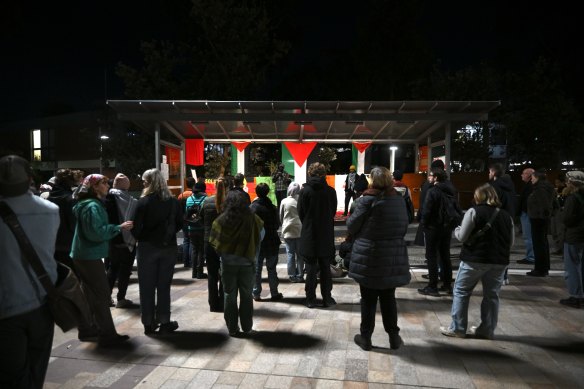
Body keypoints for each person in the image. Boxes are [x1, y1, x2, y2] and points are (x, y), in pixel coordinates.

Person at [0, 155, 59, 388]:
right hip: (43, 300)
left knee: (12, 374)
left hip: (6, 308)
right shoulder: (51, 210)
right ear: (30, 179)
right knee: (37, 367)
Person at [347, 166, 410, 351]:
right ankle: (394, 336)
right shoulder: (398, 199)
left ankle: (366, 337)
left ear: (372, 181)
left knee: (368, 299)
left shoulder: (366, 200)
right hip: (392, 255)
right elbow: (405, 225)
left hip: (370, 255)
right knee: (388, 297)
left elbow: (351, 225)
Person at [441, 184, 513, 339]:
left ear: (478, 196)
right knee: (492, 295)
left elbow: (462, 237)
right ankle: (487, 330)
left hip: (474, 260)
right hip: (499, 261)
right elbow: (510, 242)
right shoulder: (506, 216)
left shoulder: (474, 211)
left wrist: (457, 230)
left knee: (461, 291)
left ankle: (458, 328)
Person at [70, 174, 133, 346]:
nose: (108, 184)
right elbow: (96, 233)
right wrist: (118, 227)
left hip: (84, 254)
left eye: (107, 181)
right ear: (94, 187)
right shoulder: (92, 206)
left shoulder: (88, 204)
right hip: (89, 255)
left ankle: (88, 329)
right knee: (102, 294)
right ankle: (106, 333)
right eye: (103, 182)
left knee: (90, 294)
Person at [132, 168, 183, 335]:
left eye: (145, 180)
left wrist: (142, 236)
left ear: (150, 182)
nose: (143, 183)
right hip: (168, 247)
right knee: (164, 286)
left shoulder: (143, 202)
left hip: (147, 248)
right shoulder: (173, 202)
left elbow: (135, 228)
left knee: (146, 287)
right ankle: (164, 321)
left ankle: (148, 322)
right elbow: (179, 223)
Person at [209, 190, 264, 336]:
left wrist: (224, 254)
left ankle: (232, 329)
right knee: (246, 296)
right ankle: (247, 327)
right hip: (247, 263)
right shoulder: (252, 219)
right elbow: (261, 236)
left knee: (229, 295)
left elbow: (215, 242)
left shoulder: (220, 220)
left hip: (228, 264)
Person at [298, 162, 338, 308]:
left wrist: (308, 223)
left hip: (309, 235)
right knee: (325, 268)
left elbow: (301, 213)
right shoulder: (331, 191)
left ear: (310, 174)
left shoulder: (305, 191)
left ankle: (310, 299)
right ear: (324, 174)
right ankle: (327, 298)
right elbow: (333, 212)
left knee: (310, 269)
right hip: (326, 234)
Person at [418, 168, 459, 296]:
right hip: (446, 227)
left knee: (431, 256)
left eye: (430, 176)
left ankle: (432, 286)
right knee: (445, 254)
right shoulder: (451, 190)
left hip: (433, 227)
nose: (429, 178)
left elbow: (427, 211)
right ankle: (447, 284)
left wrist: (423, 224)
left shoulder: (433, 191)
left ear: (435, 177)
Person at [104, 173, 137, 308]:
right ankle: (121, 299)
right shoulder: (133, 201)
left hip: (111, 239)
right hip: (128, 241)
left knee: (112, 269)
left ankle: (106, 297)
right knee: (125, 271)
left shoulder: (105, 198)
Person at [251, 183, 283, 301]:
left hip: (257, 242)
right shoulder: (272, 207)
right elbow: (276, 225)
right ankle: (274, 293)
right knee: (272, 268)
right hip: (272, 241)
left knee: (257, 268)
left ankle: (256, 293)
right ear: (268, 192)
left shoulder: (253, 207)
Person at [201, 177, 228, 312]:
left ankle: (213, 304)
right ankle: (223, 302)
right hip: (225, 242)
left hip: (209, 240)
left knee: (212, 274)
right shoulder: (229, 203)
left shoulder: (206, 201)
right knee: (224, 273)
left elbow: (201, 219)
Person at [488, 163, 517, 285]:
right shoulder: (510, 186)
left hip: (496, 220)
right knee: (505, 248)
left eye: (489, 172)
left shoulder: (493, 187)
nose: (488, 174)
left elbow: (491, 204)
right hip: (508, 219)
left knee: (494, 248)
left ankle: (496, 276)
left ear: (494, 173)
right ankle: (504, 276)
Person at [559, 171, 584, 308]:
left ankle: (575, 296)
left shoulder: (573, 198)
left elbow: (567, 218)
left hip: (574, 235)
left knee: (572, 266)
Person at [526, 169, 555, 277]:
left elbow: (544, 205)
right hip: (540, 219)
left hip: (538, 219)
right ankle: (543, 267)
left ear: (537, 177)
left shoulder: (540, 189)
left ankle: (540, 269)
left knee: (539, 244)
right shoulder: (545, 187)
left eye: (532, 177)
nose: (531, 179)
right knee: (542, 243)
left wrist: (541, 216)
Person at [280, 182, 304, 283]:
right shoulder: (301, 200)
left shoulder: (284, 201)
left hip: (288, 229)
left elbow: (281, 216)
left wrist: (284, 224)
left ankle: (291, 275)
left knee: (290, 253)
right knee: (300, 254)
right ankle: (300, 275)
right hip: (300, 229)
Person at [186, 181, 208, 279]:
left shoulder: (188, 199)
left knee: (194, 249)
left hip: (191, 227)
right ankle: (200, 272)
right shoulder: (205, 199)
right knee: (201, 250)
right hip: (201, 227)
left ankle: (194, 272)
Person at [516, 167, 536, 264]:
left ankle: (531, 257)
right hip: (527, 213)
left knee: (528, 236)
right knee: (529, 236)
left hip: (527, 214)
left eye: (523, 173)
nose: (521, 175)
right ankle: (531, 256)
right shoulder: (529, 185)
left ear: (529, 175)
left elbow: (527, 201)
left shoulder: (530, 186)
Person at [177, 176, 196, 267]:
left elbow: (178, 209)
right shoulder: (194, 195)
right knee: (192, 241)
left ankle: (185, 262)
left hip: (184, 220)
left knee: (186, 240)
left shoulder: (181, 195)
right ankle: (192, 262)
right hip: (192, 220)